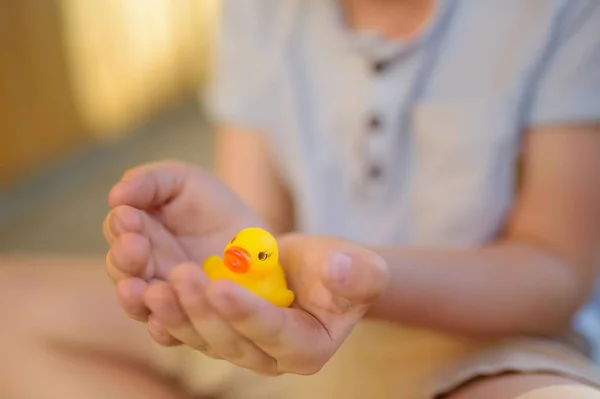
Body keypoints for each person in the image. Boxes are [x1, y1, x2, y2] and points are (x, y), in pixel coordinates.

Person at [2, 0, 600, 398]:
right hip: (301, 338)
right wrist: (224, 264)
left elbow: (554, 273)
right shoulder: (262, 11)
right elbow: (253, 226)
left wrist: (357, 278)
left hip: (495, 345)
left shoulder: (561, 14)